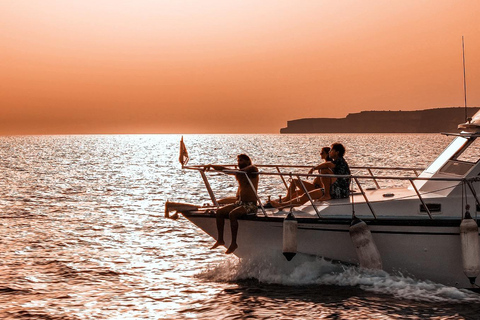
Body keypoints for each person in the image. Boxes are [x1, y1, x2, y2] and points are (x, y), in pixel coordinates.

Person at [207, 154, 259, 254]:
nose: (239, 163)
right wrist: (211, 165)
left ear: (248, 161)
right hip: (239, 203)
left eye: (242, 161)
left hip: (250, 205)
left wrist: (242, 170)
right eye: (238, 161)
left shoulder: (253, 171)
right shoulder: (239, 173)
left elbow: (252, 167)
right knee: (220, 212)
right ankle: (220, 239)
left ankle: (234, 243)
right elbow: (224, 169)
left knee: (233, 214)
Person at [272, 143, 350, 208]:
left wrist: (314, 168)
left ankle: (283, 204)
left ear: (337, 152)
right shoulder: (338, 162)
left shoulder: (340, 161)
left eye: (331, 150)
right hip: (335, 189)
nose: (330, 152)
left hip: (339, 191)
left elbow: (329, 165)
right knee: (305, 195)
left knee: (323, 172)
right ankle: (283, 204)